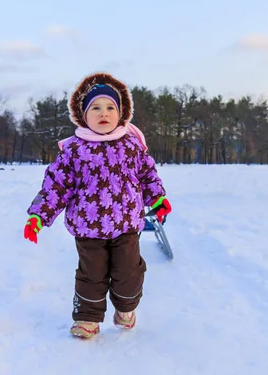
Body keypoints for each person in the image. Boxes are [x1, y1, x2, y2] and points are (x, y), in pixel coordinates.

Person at [23, 72, 172, 339]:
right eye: (96, 107)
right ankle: (87, 320)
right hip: (87, 227)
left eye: (110, 107)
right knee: (91, 275)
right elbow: (56, 185)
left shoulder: (131, 145)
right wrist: (38, 216)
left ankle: (126, 308)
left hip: (126, 224)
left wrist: (158, 199)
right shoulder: (74, 150)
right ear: (83, 115)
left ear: (120, 113)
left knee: (128, 272)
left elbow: (147, 175)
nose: (103, 113)